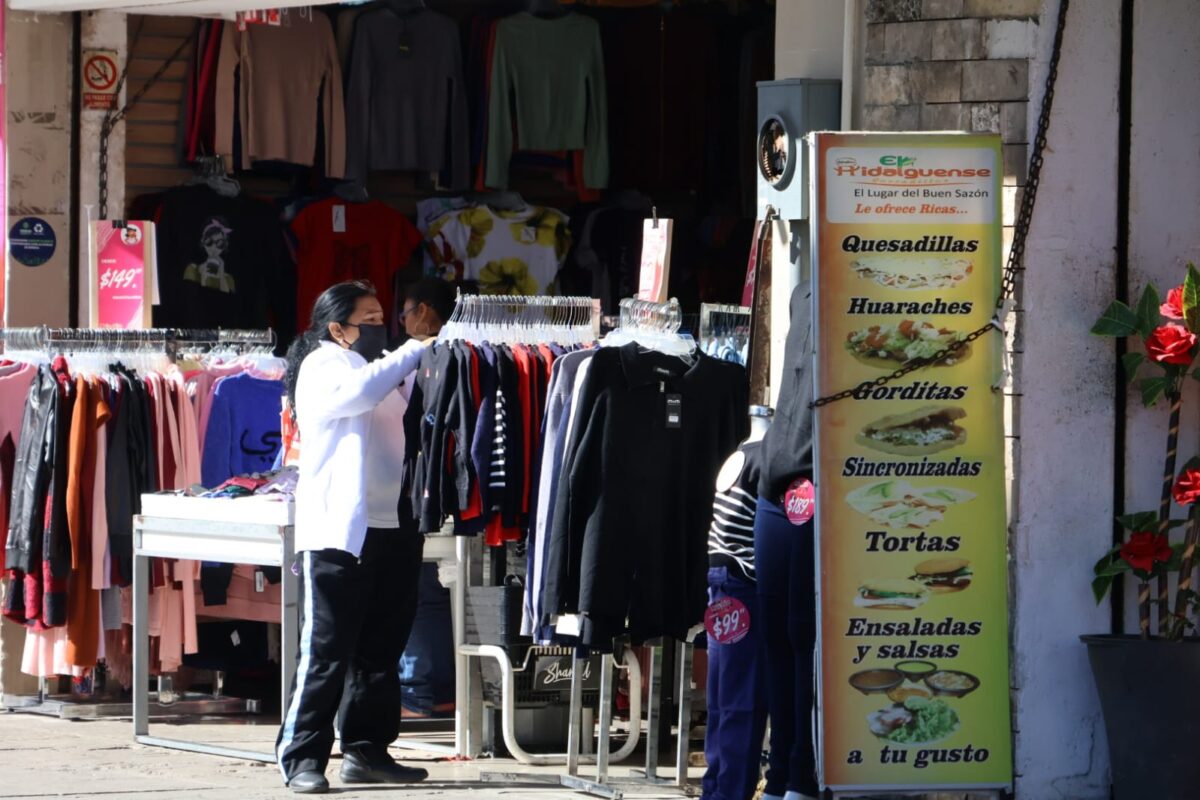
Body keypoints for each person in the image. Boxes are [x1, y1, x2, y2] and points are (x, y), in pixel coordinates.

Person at [275, 280, 433, 794]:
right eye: (367, 318)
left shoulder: (384, 362)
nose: (378, 325)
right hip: (341, 533)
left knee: (381, 652)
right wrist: (415, 347)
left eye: (382, 315)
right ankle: (301, 757)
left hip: (395, 525)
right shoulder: (325, 366)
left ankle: (367, 750)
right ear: (336, 327)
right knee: (327, 651)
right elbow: (359, 396)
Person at [396, 277, 458, 719]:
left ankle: (418, 690)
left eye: (404, 311)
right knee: (435, 597)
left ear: (423, 312)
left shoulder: (423, 359)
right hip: (460, 496)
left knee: (418, 595)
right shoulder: (468, 354)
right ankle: (443, 687)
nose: (401, 321)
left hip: (425, 493)